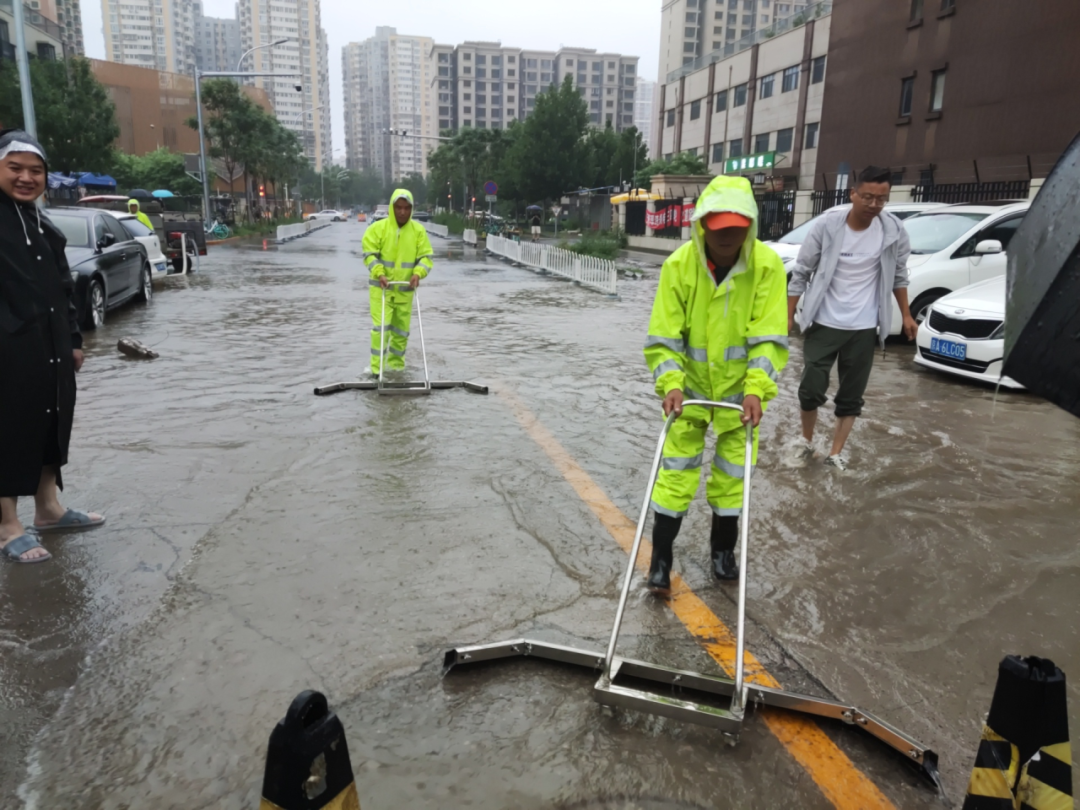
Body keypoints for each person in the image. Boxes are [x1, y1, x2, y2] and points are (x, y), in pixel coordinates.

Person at [643, 175, 789, 595]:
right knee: (675, 477)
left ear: (750, 226)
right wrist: (670, 384)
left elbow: (769, 337)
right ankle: (661, 559)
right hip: (687, 393)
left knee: (732, 478)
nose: (727, 237)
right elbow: (664, 338)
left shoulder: (766, 267)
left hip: (740, 398)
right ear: (702, 225)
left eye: (736, 228)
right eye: (719, 228)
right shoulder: (679, 267)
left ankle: (723, 552)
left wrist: (756, 389)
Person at [0, 129, 104, 564]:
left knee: (51, 422)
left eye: (35, 171)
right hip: (9, 348)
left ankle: (49, 508)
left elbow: (64, 287)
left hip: (53, 347)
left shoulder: (42, 223)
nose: (26, 178)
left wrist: (75, 340)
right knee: (8, 429)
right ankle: (8, 525)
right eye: (15, 168)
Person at [786, 166, 918, 471]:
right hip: (823, 321)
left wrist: (907, 315)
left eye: (881, 199)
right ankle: (806, 442)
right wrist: (789, 313)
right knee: (810, 388)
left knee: (851, 396)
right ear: (853, 194)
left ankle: (835, 454)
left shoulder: (893, 230)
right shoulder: (828, 226)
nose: (874, 205)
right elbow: (802, 272)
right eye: (868, 197)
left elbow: (899, 275)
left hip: (863, 326)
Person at [361, 189, 434, 375]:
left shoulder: (418, 231)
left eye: (407, 208)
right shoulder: (377, 229)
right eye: (399, 208)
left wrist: (418, 274)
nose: (402, 212)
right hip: (381, 290)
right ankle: (376, 371)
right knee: (381, 329)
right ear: (392, 208)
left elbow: (426, 258)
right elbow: (369, 255)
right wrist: (379, 273)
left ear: (411, 209)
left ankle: (396, 369)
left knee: (401, 332)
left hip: (405, 290)